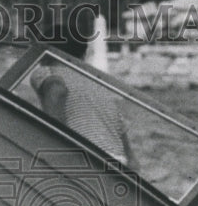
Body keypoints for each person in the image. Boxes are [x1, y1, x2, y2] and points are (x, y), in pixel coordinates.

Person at [31, 33, 135, 168]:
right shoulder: (97, 84)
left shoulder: (47, 70)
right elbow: (123, 136)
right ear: (84, 55)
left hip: (86, 160)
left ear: (44, 54)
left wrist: (56, 149)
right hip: (118, 162)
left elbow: (56, 91)